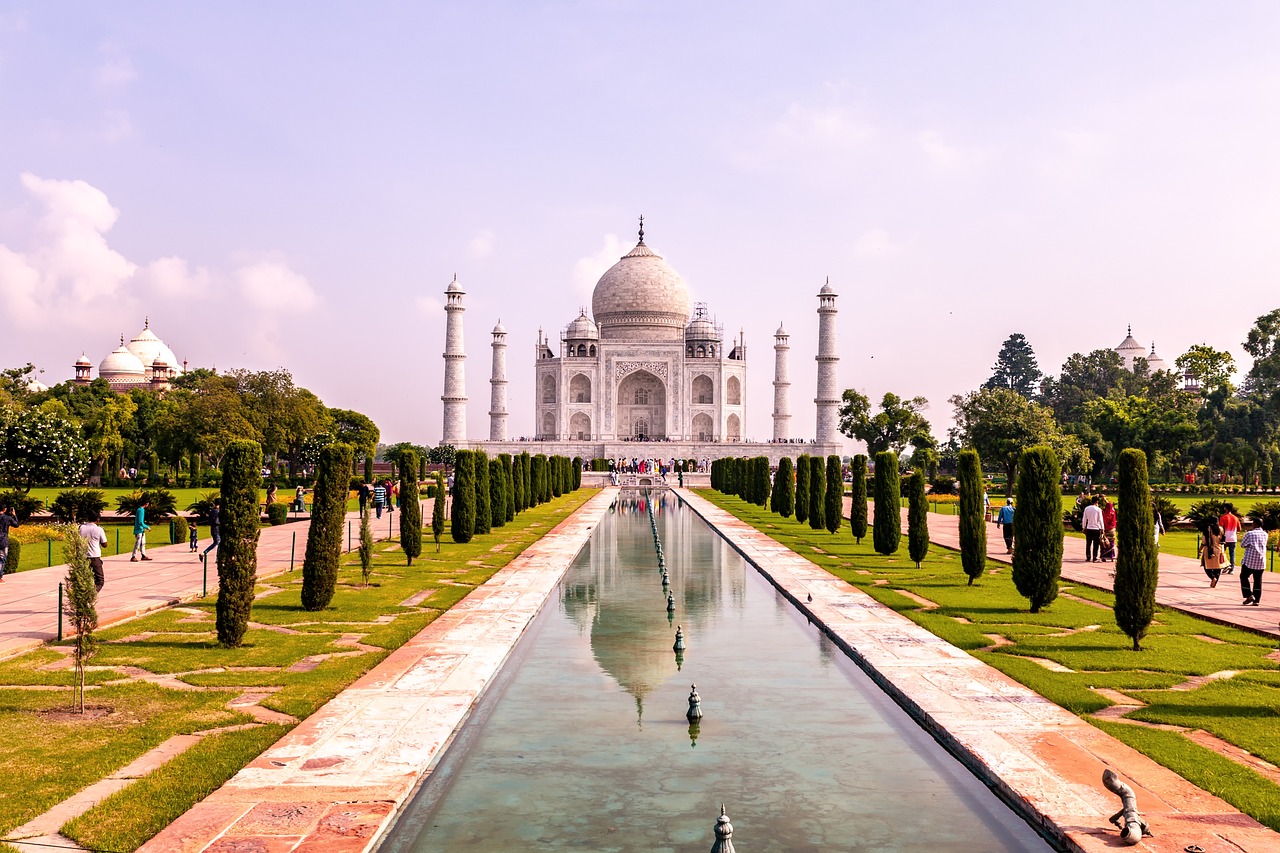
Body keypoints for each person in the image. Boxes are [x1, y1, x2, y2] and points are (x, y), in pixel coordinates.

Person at [1239, 519, 1268, 606]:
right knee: (1258, 580)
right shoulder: (1265, 534)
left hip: (1250, 560)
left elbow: (1242, 545)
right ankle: (1257, 600)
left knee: (1243, 576)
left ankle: (1248, 595)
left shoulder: (1250, 534)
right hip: (1261, 561)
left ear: (1254, 524)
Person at [78, 510, 108, 592]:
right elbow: (105, 544)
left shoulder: (81, 527)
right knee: (100, 581)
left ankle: (84, 595)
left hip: (83, 556)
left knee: (84, 579)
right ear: (98, 520)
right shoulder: (99, 529)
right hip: (94, 557)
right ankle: (91, 595)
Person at [1201, 521, 1224, 588]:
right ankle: (1215, 582)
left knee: (1206, 565)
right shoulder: (1221, 529)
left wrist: (1199, 550)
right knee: (1218, 567)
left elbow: (1203, 542)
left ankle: (1213, 578)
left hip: (1209, 550)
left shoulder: (1207, 529)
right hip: (1219, 549)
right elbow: (1223, 540)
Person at [1219, 505, 1242, 574]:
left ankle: (1225, 565)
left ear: (1226, 509)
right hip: (1233, 538)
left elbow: (1220, 528)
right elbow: (1239, 529)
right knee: (1232, 554)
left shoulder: (1223, 518)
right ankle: (1231, 569)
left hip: (1225, 538)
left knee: (1222, 553)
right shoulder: (1235, 518)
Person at [1081, 496, 1105, 562]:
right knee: (1096, 544)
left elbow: (1084, 519)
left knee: (1088, 543)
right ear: (1097, 501)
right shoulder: (1098, 509)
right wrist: (1103, 528)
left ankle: (1088, 557)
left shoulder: (1087, 509)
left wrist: (1083, 527)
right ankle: (1094, 557)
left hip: (1089, 528)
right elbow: (1101, 520)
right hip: (1096, 528)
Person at [0, 502, 19, 581]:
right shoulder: (7, 518)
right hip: (3, 540)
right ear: (4, 509)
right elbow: (16, 524)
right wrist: (14, 515)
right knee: (2, 558)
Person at [201, 498, 221, 565]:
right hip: (217, 528)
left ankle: (204, 553)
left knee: (216, 543)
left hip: (213, 528)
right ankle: (217, 558)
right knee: (218, 542)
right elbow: (217, 521)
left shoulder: (212, 511)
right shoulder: (217, 511)